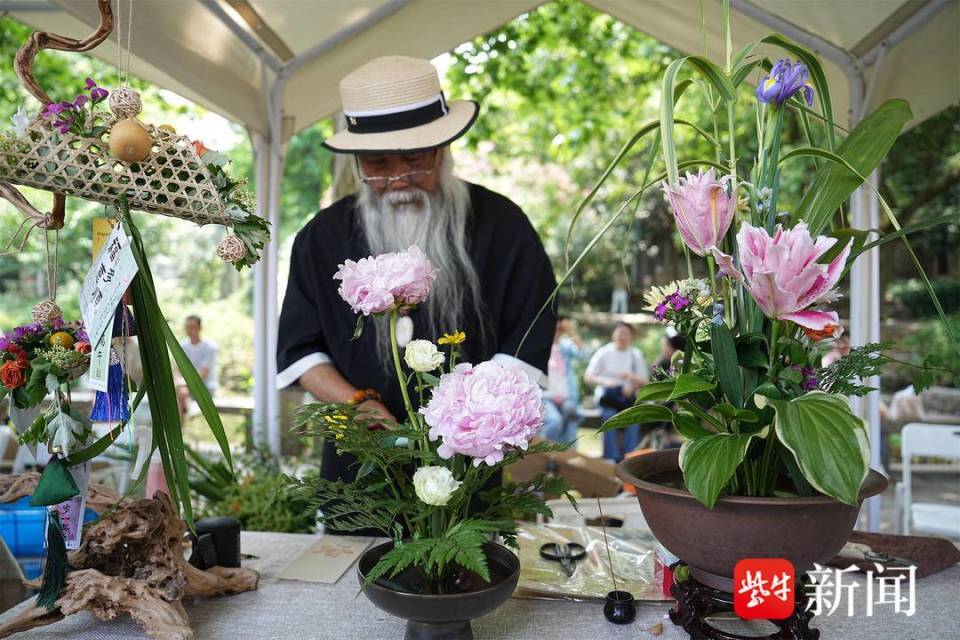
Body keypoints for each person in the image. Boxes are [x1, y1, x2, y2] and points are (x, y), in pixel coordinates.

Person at [276, 56, 557, 490]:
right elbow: (300, 350)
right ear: (357, 162)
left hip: (469, 467)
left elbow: (528, 336)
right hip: (359, 467)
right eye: (378, 163)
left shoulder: (503, 226)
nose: (399, 178)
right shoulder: (322, 237)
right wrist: (355, 403)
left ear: (443, 150)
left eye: (414, 158)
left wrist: (472, 419)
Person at [584, 322, 649, 462]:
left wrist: (632, 380)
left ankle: (628, 457)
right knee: (609, 417)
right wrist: (606, 382)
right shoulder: (604, 352)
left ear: (631, 336)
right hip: (607, 399)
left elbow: (645, 381)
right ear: (614, 334)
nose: (623, 336)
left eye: (626, 333)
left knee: (634, 420)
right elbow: (588, 376)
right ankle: (610, 457)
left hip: (627, 399)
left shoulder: (635, 354)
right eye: (620, 333)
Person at [542, 316, 584, 445]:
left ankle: (569, 456)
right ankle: (546, 452)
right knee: (555, 421)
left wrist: (572, 332)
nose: (557, 331)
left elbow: (582, 355)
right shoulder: (541, 345)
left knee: (572, 418)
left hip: (566, 397)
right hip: (546, 397)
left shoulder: (565, 346)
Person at [177, 315, 218, 420]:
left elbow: (203, 374)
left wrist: (183, 383)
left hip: (205, 387)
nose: (190, 330)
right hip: (187, 387)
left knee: (181, 392)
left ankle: (186, 417)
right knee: (181, 393)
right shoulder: (182, 346)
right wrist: (181, 383)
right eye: (187, 327)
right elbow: (179, 370)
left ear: (200, 328)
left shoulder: (210, 347)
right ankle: (181, 428)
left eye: (193, 327)